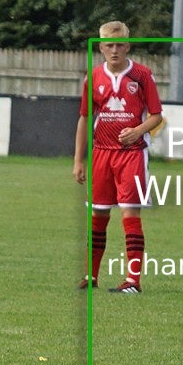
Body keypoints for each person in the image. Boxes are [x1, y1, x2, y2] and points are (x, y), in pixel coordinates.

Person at [73, 20, 163, 293]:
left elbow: (157, 116)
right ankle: (91, 278)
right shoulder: (93, 77)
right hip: (101, 154)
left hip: (132, 155)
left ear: (127, 46)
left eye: (119, 45)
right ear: (101, 47)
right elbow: (85, 119)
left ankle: (132, 282)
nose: (114, 50)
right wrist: (79, 160)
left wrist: (137, 131)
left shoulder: (142, 75)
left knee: (129, 214)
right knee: (98, 216)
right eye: (109, 45)